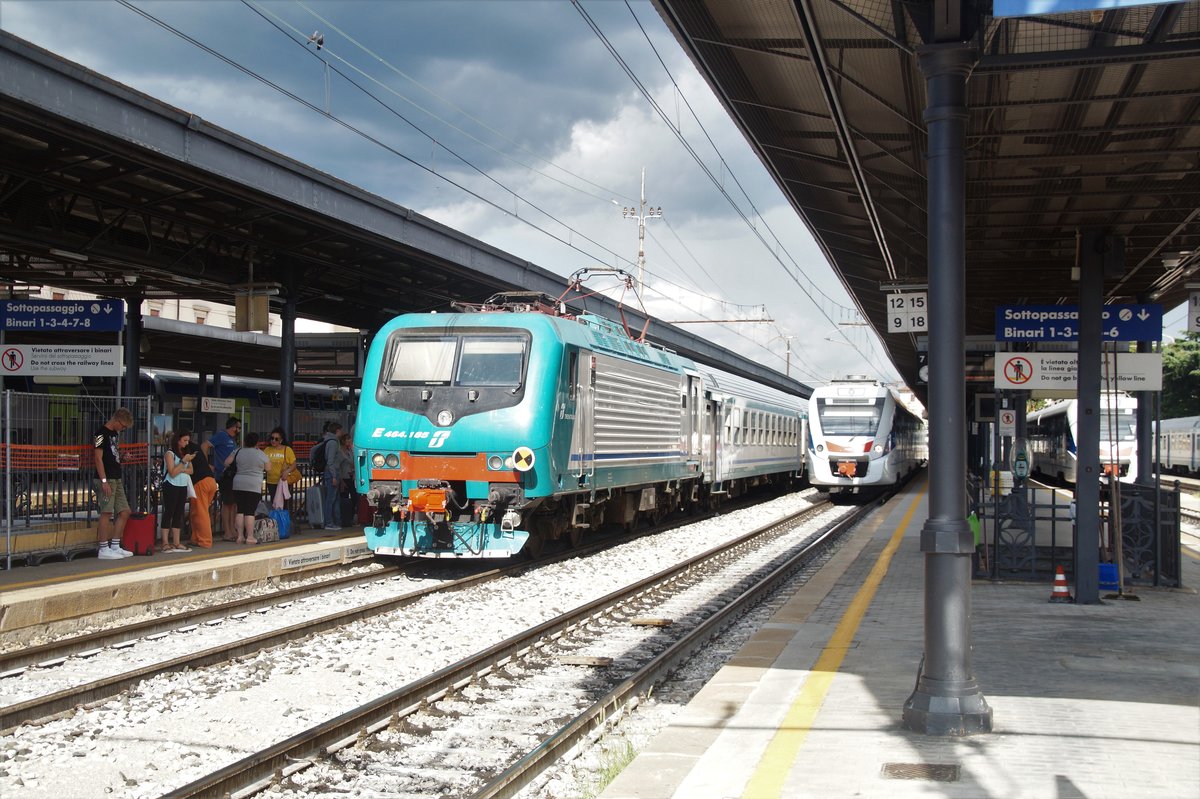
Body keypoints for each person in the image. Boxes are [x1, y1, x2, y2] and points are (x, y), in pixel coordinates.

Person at [92, 407, 135, 559]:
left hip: (116, 477)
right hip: (106, 478)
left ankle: (115, 545)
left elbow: (113, 455)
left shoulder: (114, 434)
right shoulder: (100, 434)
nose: (123, 429)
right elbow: (98, 458)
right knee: (106, 512)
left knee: (124, 511)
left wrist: (123, 457)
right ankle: (103, 548)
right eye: (122, 426)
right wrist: (104, 481)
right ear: (116, 420)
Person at [226, 432, 268, 544]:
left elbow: (227, 462)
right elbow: (269, 468)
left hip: (238, 483)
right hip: (253, 485)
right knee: (249, 512)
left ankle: (240, 536)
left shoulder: (238, 451)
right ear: (257, 442)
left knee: (240, 510)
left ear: (245, 441)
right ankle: (250, 537)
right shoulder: (260, 453)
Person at [160, 430, 195, 553]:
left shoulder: (185, 453)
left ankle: (176, 542)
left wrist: (182, 467)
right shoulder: (170, 454)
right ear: (178, 440)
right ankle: (165, 542)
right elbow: (172, 472)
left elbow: (191, 470)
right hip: (171, 484)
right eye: (184, 440)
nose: (186, 443)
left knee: (179, 512)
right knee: (169, 511)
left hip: (182, 484)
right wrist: (183, 462)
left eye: (187, 441)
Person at [210, 416, 241, 540]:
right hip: (224, 475)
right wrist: (209, 464)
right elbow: (205, 445)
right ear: (233, 427)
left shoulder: (232, 440)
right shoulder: (221, 436)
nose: (239, 430)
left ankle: (232, 530)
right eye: (238, 427)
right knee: (227, 503)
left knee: (233, 503)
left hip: (232, 474)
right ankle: (227, 531)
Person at [187, 434, 217, 548]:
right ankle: (196, 538)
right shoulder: (196, 448)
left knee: (200, 512)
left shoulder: (187, 450)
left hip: (200, 483)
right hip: (211, 481)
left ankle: (205, 540)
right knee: (198, 511)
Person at [319, 421, 343, 531]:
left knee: (334, 498)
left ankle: (336, 522)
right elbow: (330, 461)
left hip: (332, 472)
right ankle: (329, 522)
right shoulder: (333, 443)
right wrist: (334, 476)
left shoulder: (331, 441)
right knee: (331, 499)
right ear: (337, 431)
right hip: (331, 473)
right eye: (341, 430)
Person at [263, 426, 297, 502]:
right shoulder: (267, 450)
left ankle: (282, 514)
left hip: (283, 481)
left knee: (282, 504)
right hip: (271, 481)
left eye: (276, 439)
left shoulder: (287, 450)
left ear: (281, 440)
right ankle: (277, 514)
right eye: (272, 438)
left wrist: (287, 471)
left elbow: (294, 464)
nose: (273, 440)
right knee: (274, 502)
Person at [331, 430, 356, 528]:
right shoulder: (340, 452)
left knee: (354, 497)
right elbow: (339, 467)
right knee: (343, 498)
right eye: (348, 441)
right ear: (344, 441)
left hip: (351, 476)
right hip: (344, 477)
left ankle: (350, 517)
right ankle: (343, 519)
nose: (350, 443)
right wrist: (340, 480)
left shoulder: (350, 451)